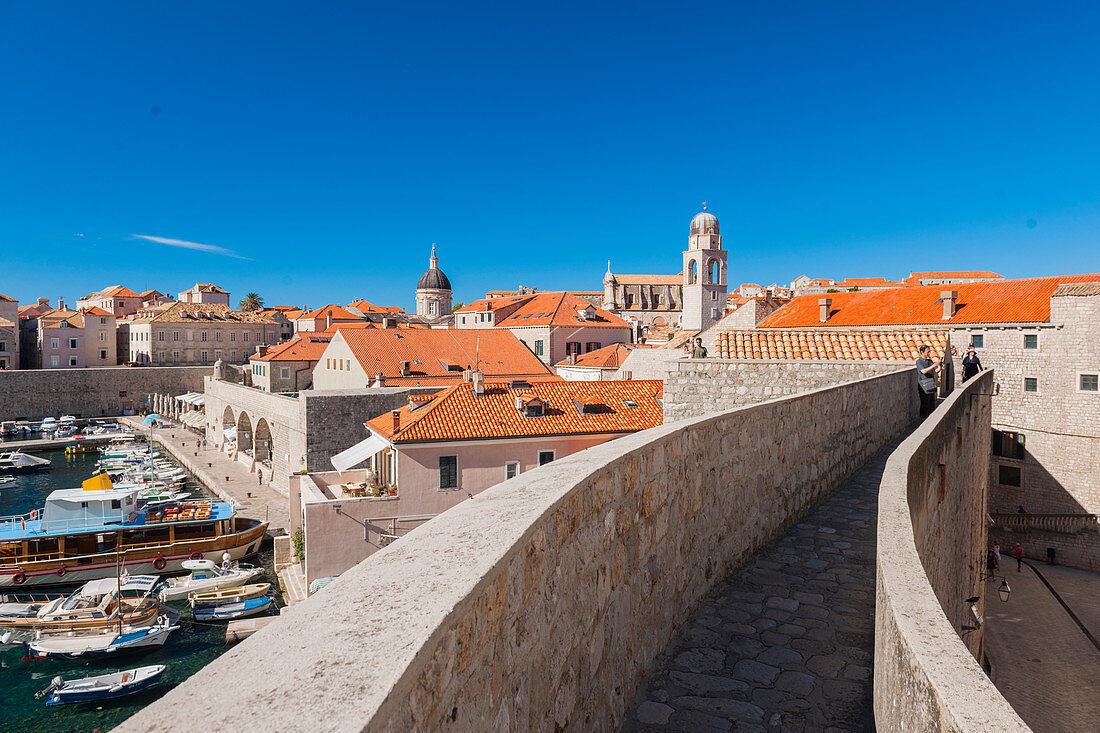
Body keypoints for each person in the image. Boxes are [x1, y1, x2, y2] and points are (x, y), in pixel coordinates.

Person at [915, 345, 941, 420]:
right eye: (928, 352)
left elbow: (936, 370)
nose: (929, 353)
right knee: (924, 403)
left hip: (931, 384)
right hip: (923, 385)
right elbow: (923, 371)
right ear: (922, 352)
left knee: (931, 404)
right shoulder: (919, 361)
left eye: (929, 352)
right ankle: (923, 420)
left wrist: (939, 366)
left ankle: (930, 419)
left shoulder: (929, 361)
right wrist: (934, 365)